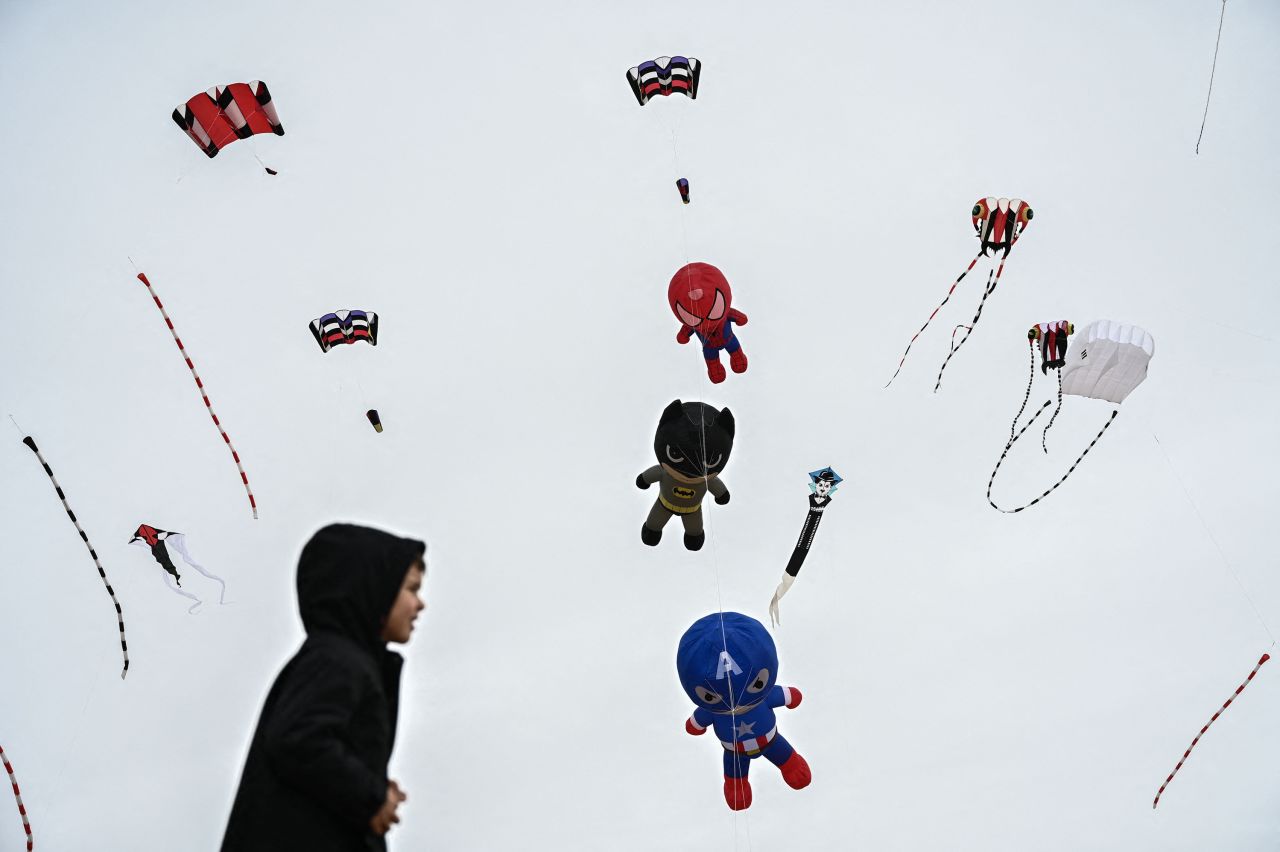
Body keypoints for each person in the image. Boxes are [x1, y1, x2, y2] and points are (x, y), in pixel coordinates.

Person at [221, 523, 427, 851]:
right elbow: (299, 739)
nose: (420, 605)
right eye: (412, 589)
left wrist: (373, 790)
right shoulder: (337, 660)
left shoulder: (347, 663)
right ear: (374, 588)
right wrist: (371, 797)